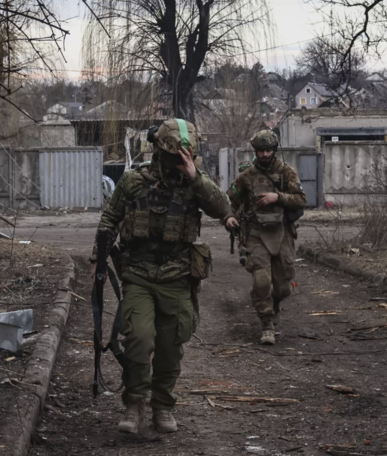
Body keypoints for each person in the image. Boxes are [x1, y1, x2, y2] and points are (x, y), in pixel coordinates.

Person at [91, 118, 229, 434]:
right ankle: (134, 404)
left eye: (186, 156)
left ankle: (163, 407)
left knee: (170, 346)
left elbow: (223, 208)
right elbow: (109, 219)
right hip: (138, 275)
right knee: (139, 338)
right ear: (159, 153)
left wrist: (195, 178)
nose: (179, 163)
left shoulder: (195, 182)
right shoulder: (133, 182)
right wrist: (99, 254)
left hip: (178, 277)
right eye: (174, 157)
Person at [224, 130, 306, 345]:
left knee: (283, 285)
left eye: (268, 150)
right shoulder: (246, 177)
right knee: (261, 282)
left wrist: (277, 196)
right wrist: (230, 217)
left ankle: (276, 302)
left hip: (282, 232)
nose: (265, 154)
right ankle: (267, 324)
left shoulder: (287, 172)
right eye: (261, 151)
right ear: (256, 151)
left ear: (274, 150)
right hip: (256, 233)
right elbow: (231, 201)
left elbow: (301, 199)